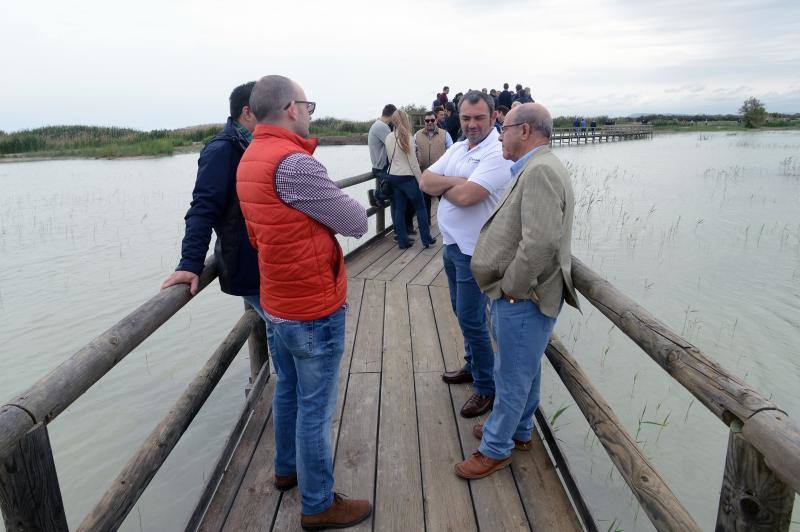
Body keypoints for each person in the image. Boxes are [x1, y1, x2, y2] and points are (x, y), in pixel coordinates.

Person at [236, 75, 371, 529]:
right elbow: (354, 221)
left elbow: (258, 235)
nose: (311, 112)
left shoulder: (251, 157)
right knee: (316, 408)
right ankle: (317, 504)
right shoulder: (294, 163)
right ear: (292, 108)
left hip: (277, 301)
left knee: (289, 389)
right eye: (308, 104)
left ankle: (286, 468)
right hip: (312, 306)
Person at [454, 103, 579, 479]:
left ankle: (495, 447)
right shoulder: (536, 167)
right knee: (524, 369)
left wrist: (512, 288)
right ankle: (521, 430)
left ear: (524, 131)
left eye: (502, 127)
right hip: (526, 295)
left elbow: (539, 243)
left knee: (510, 374)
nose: (498, 133)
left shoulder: (539, 170)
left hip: (526, 296)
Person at [419, 90, 513, 418]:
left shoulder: (497, 153)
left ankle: (487, 387)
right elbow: (424, 181)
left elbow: (470, 196)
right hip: (452, 245)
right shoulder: (459, 147)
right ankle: (473, 366)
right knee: (462, 314)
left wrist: (449, 185)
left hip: (476, 251)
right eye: (466, 118)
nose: (471, 124)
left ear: (492, 118)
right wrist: (454, 181)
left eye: (479, 118)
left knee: (473, 319)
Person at [161, 81, 270, 322]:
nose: (273, 113)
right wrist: (190, 263)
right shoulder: (222, 149)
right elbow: (202, 209)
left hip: (264, 263)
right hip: (247, 263)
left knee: (278, 333)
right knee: (284, 333)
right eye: (266, 106)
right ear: (247, 112)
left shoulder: (253, 145)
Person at [385, 110, 436, 249]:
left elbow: (390, 159)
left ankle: (402, 240)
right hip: (407, 177)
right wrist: (421, 181)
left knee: (399, 209)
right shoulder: (407, 137)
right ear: (406, 120)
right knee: (420, 207)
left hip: (394, 177)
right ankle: (426, 238)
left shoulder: (388, 137)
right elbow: (413, 163)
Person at [368, 104, 415, 234]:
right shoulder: (381, 127)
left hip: (383, 167)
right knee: (396, 197)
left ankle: (401, 230)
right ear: (392, 116)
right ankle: (376, 194)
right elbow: (396, 144)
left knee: (398, 196)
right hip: (382, 167)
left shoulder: (380, 126)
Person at [415, 110, 453, 222]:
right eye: (427, 120)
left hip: (441, 176)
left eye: (432, 120)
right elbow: (412, 153)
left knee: (445, 201)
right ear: (424, 122)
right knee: (425, 202)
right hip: (424, 175)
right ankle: (427, 224)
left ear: (436, 120)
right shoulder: (417, 135)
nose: (429, 122)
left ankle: (448, 222)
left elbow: (451, 152)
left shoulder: (445, 134)